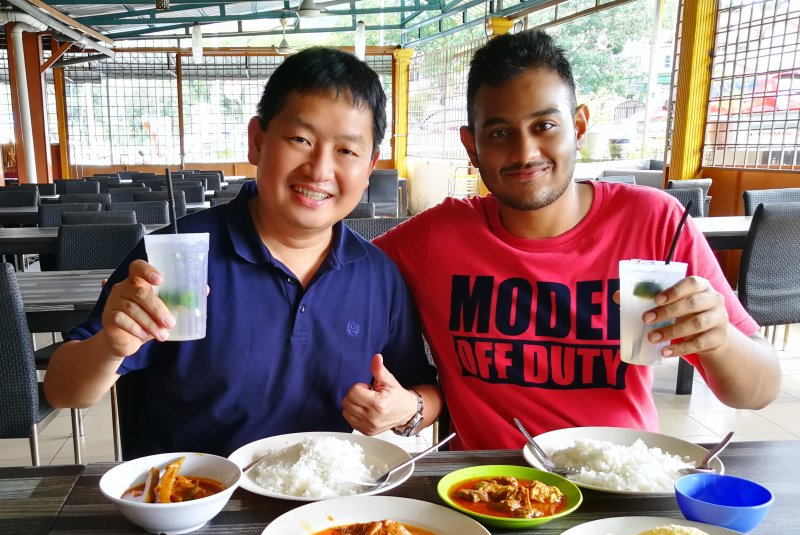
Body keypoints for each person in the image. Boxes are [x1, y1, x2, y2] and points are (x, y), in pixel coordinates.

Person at [376, 30, 781, 450]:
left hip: (620, 478)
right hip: (485, 487)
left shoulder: (653, 221)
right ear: (471, 146)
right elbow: (336, 267)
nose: (525, 152)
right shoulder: (435, 237)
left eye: (545, 125)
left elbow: (758, 391)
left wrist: (719, 336)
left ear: (579, 126)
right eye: (499, 133)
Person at [44, 47, 441, 458]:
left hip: (316, 507)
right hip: (192, 504)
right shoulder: (178, 258)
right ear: (257, 142)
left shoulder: (376, 274)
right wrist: (111, 345)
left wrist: (405, 409)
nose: (320, 170)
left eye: (347, 151)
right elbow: (61, 390)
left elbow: (426, 390)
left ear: (369, 166)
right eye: (300, 139)